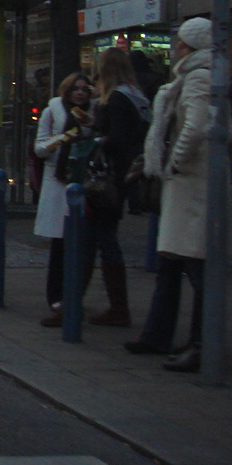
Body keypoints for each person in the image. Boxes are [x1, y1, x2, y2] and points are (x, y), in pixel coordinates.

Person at [127, 17, 213, 371]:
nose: (176, 47)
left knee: (195, 266)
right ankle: (157, 335)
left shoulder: (200, 77)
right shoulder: (189, 76)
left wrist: (174, 163)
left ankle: (201, 345)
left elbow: (197, 126)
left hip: (194, 186)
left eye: (181, 42)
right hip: (185, 186)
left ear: (190, 46)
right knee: (171, 263)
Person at [78, 47, 150, 326]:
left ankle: (108, 308)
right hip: (123, 175)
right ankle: (104, 306)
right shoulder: (136, 96)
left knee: (98, 240)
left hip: (107, 179)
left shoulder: (117, 98)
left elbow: (116, 138)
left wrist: (95, 139)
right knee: (99, 238)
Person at [33, 71, 92, 327]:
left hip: (84, 182)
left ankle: (73, 297)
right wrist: (64, 137)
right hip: (57, 180)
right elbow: (39, 148)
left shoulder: (93, 113)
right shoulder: (53, 111)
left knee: (82, 245)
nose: (80, 93)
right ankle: (56, 297)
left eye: (84, 89)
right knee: (60, 243)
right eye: (76, 89)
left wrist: (89, 128)